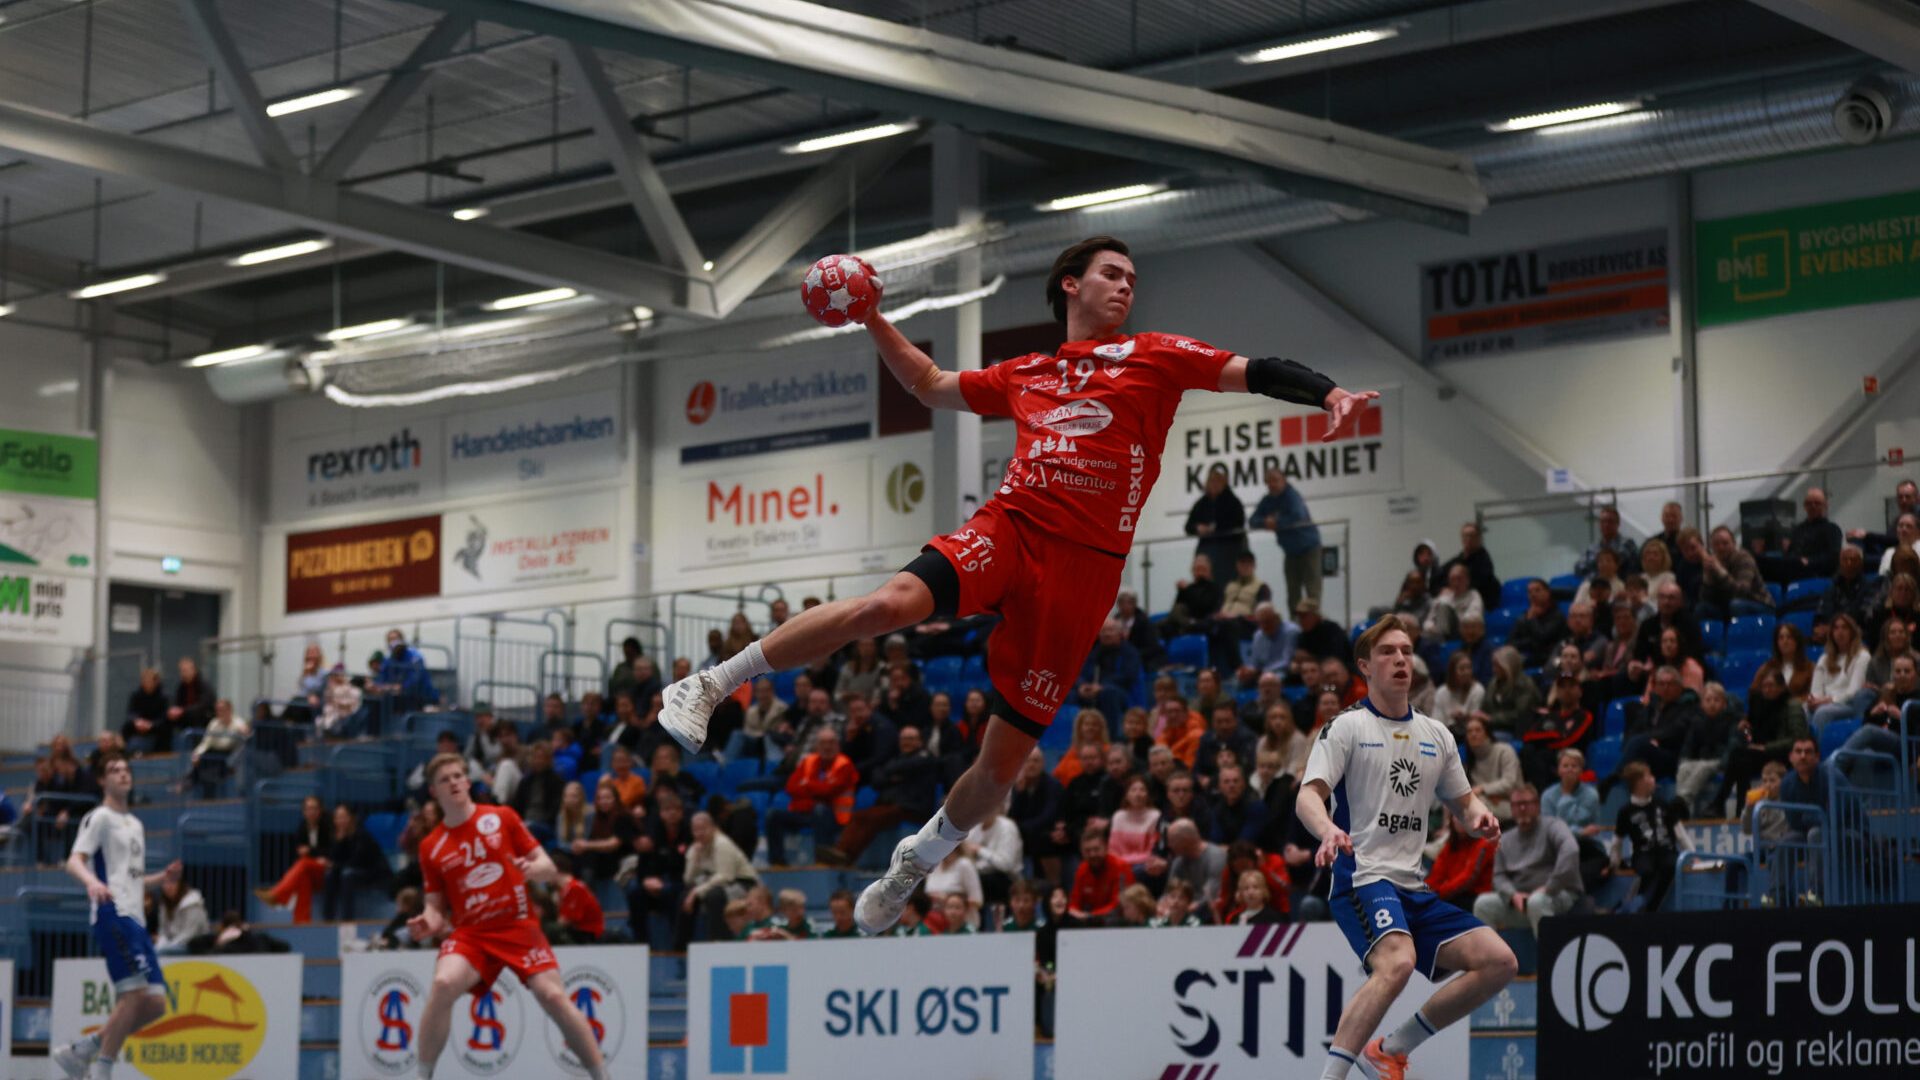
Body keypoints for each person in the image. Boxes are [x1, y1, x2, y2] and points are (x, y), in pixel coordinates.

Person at [657, 236, 1379, 935]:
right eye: (1112, 273)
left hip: (1083, 576)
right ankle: (711, 684)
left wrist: (1329, 393)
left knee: (1000, 768)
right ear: (1071, 284)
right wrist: (872, 315)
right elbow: (928, 384)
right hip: (1010, 529)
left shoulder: (1154, 355)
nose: (1126, 285)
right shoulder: (1028, 372)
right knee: (886, 606)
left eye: (1132, 278)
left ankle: (917, 859)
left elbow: (1255, 371)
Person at [1296, 619, 1513, 1080]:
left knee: (1499, 961)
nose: (1400, 660)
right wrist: (1328, 830)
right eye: (1388, 652)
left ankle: (1390, 1049)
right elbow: (1308, 796)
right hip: (1363, 875)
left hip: (1413, 887)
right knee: (1397, 962)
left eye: (1406, 651)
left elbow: (1464, 800)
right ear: (1364, 666)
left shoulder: (1437, 735)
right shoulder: (1346, 727)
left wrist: (1479, 816)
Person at [405, 753, 609, 1080]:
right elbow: (435, 906)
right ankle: (422, 1075)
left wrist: (533, 870)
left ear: (467, 782)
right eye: (445, 779)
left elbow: (548, 866)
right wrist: (427, 921)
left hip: (518, 926)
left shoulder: (501, 817)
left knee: (552, 995)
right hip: (471, 934)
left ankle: (602, 1076)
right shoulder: (431, 846)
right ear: (433, 791)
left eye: (458, 776)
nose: (453, 782)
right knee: (443, 983)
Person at [50, 754, 183, 1080]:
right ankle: (103, 1071)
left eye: (126, 769)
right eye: (114, 770)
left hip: (137, 920)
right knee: (133, 995)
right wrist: (92, 882)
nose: (123, 774)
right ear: (102, 781)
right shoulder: (99, 818)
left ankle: (84, 1050)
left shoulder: (136, 824)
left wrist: (161, 878)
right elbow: (74, 861)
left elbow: (132, 877)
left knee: (155, 1004)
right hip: (113, 913)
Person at [1472, 784, 1581, 938]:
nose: (1522, 808)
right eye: (1517, 804)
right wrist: (1513, 895)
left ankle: (1549, 953)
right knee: (1483, 904)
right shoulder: (1506, 839)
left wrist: (1549, 887)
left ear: (1537, 805)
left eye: (1526, 803)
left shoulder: (1554, 826)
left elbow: (1571, 851)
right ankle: (1490, 954)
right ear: (1511, 809)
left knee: (1536, 902)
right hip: (1521, 901)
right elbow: (1498, 876)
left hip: (1557, 895)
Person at [765, 727, 857, 866]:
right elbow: (791, 787)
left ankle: (823, 860)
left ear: (838, 745)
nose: (827, 747)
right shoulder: (808, 761)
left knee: (820, 809)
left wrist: (807, 784)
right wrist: (816, 789)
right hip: (806, 813)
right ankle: (777, 862)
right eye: (823, 743)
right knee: (773, 815)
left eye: (831, 742)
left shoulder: (845, 764)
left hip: (835, 816)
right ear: (816, 746)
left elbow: (828, 791)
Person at [1610, 762, 1692, 913]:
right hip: (1643, 853)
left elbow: (1680, 833)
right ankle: (1630, 903)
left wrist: (1692, 855)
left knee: (1670, 866)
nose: (1653, 779)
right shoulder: (1626, 811)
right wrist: (1614, 863)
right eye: (1649, 776)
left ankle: (1652, 907)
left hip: (1667, 850)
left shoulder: (1662, 804)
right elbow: (1617, 841)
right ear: (1639, 782)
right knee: (1646, 870)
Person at [1252, 465, 1324, 611]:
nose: (1272, 484)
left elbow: (1297, 516)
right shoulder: (1267, 500)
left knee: (1312, 591)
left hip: (1309, 549)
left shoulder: (1292, 496)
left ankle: (1314, 620)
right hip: (1290, 552)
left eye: (1275, 480)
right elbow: (1252, 520)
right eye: (1269, 481)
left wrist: (1276, 522)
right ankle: (1295, 621)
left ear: (1283, 480)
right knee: (1292, 593)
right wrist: (1265, 522)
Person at [1186, 463, 1249, 585]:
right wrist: (1197, 528)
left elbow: (1238, 522)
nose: (1214, 485)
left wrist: (1214, 528)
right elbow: (1188, 526)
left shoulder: (1233, 502)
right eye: (1212, 481)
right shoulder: (1202, 503)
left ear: (1224, 484)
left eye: (1218, 481)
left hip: (1229, 551)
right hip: (1207, 551)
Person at [1425, 808, 1497, 909]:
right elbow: (1437, 875)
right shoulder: (1451, 845)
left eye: (1465, 817)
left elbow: (1467, 879)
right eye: (1456, 815)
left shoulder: (1483, 844)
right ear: (1452, 819)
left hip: (1474, 898)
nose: (1460, 819)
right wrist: (1426, 892)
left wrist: (1437, 894)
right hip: (1451, 895)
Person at [1437, 522, 1500, 611]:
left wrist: (1453, 588)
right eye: (1465, 536)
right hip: (1457, 600)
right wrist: (1443, 589)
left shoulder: (1484, 561)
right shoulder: (1457, 560)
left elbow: (1479, 582)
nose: (1468, 539)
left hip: (1479, 603)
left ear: (1479, 538)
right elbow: (1438, 577)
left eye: (1472, 536)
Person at [1540, 749, 1601, 835]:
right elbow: (1550, 829)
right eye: (1565, 766)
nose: (1570, 769)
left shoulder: (1591, 794)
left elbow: (1581, 822)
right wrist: (1580, 831)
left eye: (1574, 766)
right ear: (1558, 770)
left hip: (1586, 840)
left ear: (1581, 771)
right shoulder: (1547, 796)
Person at [1508, 579, 1567, 669]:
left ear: (1548, 593)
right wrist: (1530, 643)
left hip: (1549, 658)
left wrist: (1532, 619)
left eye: (1537, 590)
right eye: (1530, 592)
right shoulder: (1524, 617)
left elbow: (1542, 638)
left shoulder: (1557, 616)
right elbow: (1510, 643)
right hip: (1528, 655)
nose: (1533, 594)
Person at [1575, 505, 1639, 578]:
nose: (1606, 525)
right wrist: (1595, 575)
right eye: (1603, 521)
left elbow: (1611, 565)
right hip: (1595, 583)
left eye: (1610, 521)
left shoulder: (1627, 544)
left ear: (1618, 524)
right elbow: (1579, 567)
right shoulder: (1592, 548)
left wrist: (1594, 566)